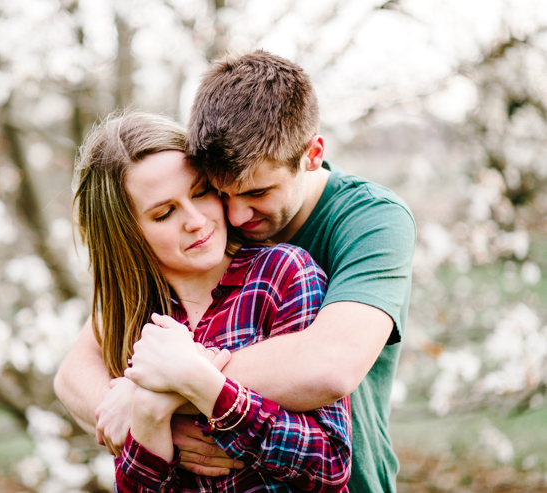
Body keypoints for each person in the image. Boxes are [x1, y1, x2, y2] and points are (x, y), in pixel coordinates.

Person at [56, 51, 416, 493]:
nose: (237, 215)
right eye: (220, 191)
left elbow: (330, 365)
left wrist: (166, 387)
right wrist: (145, 421)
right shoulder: (188, 262)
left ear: (312, 155)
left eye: (257, 192)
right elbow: (76, 370)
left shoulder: (368, 221)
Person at [70, 111, 351, 491]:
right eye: (165, 213)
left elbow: (329, 464)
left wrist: (200, 386)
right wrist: (151, 415)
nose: (196, 221)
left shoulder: (282, 274)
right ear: (128, 236)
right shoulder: (137, 326)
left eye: (201, 191)